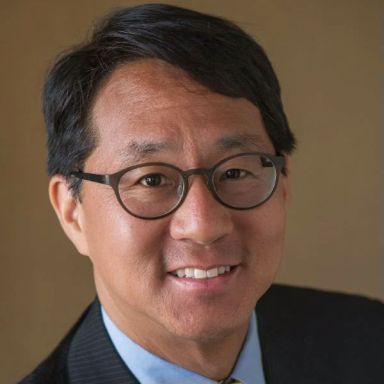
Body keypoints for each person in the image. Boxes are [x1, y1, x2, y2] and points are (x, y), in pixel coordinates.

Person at [20, 3, 384, 384]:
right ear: (71, 212)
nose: (204, 225)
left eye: (236, 171)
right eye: (151, 180)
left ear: (284, 185)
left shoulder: (369, 341)